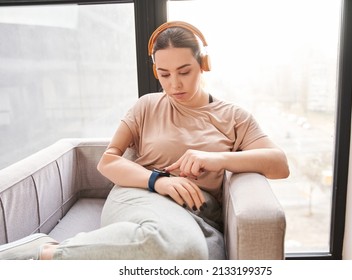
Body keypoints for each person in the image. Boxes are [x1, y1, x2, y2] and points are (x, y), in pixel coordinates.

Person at [0, 21, 289, 260]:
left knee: (198, 254)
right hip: (139, 194)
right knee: (184, 248)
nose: (174, 84)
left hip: (197, 213)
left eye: (184, 71)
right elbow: (108, 161)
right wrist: (158, 180)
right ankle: (42, 253)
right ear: (156, 73)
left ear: (203, 64)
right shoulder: (147, 106)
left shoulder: (233, 116)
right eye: (164, 74)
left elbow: (279, 165)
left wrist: (214, 158)